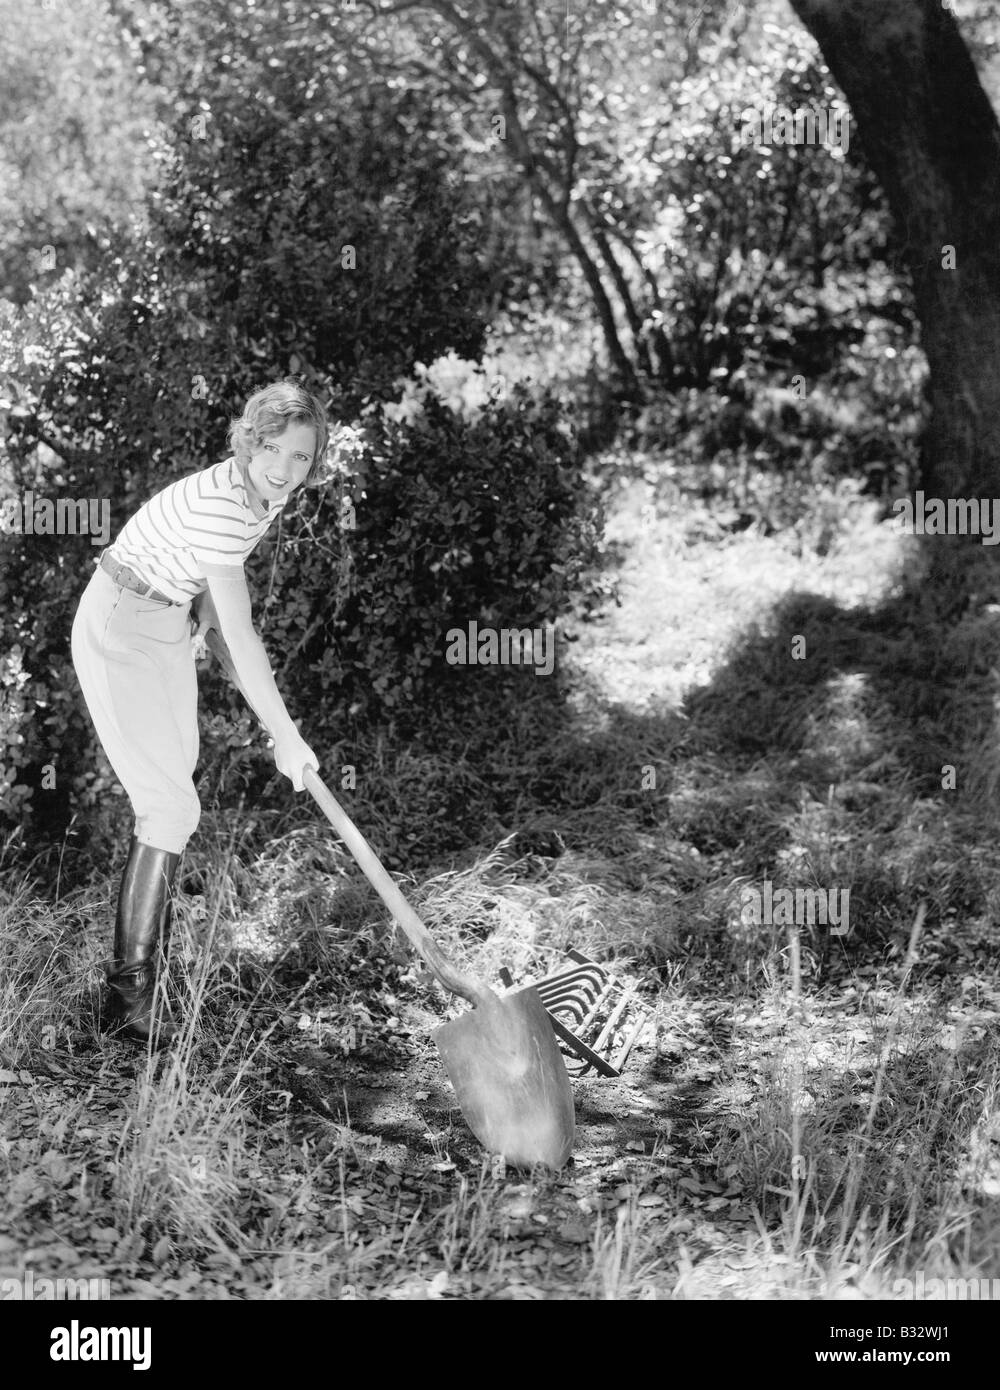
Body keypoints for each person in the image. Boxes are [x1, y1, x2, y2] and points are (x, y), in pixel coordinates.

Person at [71, 380, 325, 1046]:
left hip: (165, 622)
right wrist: (288, 735)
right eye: (274, 449)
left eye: (301, 457)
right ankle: (128, 1006)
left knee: (175, 793)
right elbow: (239, 634)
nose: (286, 468)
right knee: (170, 806)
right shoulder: (223, 503)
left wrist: (277, 732)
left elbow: (215, 629)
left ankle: (131, 994)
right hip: (121, 619)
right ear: (250, 441)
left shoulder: (261, 500)